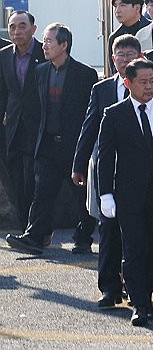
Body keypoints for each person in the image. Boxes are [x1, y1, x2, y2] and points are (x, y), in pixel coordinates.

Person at [95, 58, 153, 327]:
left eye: (152, 82)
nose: (149, 87)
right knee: (134, 249)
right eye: (142, 82)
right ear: (128, 83)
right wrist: (106, 194)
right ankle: (141, 304)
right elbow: (105, 157)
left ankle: (145, 293)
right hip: (128, 195)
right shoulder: (114, 114)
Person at [4, 24, 99, 257]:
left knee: (80, 196)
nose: (44, 45)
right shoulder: (42, 71)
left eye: (49, 41)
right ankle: (33, 237)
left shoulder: (85, 74)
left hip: (74, 145)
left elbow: (89, 114)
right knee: (42, 193)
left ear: (64, 45)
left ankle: (84, 237)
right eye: (44, 41)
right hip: (47, 144)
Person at [70, 35, 141, 307]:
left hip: (139, 171)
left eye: (130, 54)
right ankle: (109, 288)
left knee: (137, 234)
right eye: (120, 55)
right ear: (113, 60)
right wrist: (78, 165)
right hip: (106, 171)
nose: (125, 59)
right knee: (108, 230)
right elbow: (89, 128)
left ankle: (137, 288)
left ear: (141, 56)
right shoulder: (101, 89)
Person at [0, 10, 44, 234]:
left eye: (22, 26)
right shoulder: (4, 55)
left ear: (33, 29)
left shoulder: (44, 53)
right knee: (15, 178)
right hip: (13, 126)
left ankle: (34, 226)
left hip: (39, 126)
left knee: (32, 178)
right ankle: (24, 222)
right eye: (12, 27)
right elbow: (4, 92)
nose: (17, 31)